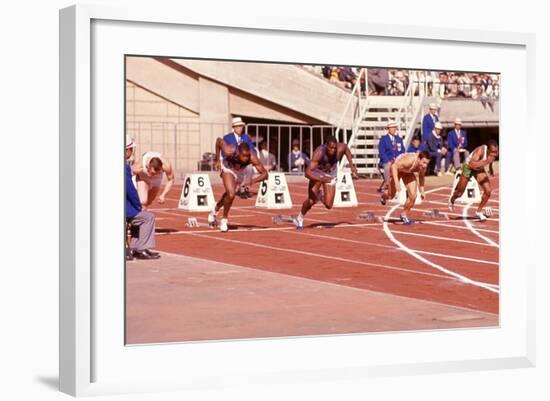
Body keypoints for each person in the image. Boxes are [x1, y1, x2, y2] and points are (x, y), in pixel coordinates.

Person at [294, 136, 359, 229]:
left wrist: (352, 167)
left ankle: (319, 195)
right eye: (331, 148)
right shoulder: (319, 152)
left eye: (334, 148)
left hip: (331, 173)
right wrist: (321, 179)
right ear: (326, 146)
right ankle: (300, 217)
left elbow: (346, 148)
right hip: (317, 172)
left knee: (329, 205)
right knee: (311, 200)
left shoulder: (340, 149)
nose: (333, 150)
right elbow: (307, 173)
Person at [209, 138, 268, 232]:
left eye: (247, 156)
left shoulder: (252, 157)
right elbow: (218, 141)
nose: (246, 158)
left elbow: (265, 174)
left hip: (241, 172)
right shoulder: (229, 150)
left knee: (230, 194)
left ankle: (215, 208)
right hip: (228, 167)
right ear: (238, 152)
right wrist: (217, 160)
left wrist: (252, 181)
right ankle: (224, 220)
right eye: (243, 156)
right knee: (231, 194)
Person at [125, 136, 160, 260]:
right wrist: (139, 206)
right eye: (130, 149)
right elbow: (130, 190)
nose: (131, 152)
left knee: (138, 216)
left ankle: (134, 247)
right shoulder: (124, 167)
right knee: (148, 217)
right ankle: (142, 249)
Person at [448, 140, 499, 221]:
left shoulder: (494, 152)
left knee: (488, 191)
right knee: (459, 193)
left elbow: (491, 160)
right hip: (468, 167)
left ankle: (478, 212)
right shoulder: (480, 150)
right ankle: (452, 199)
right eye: (492, 152)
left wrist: (490, 168)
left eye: (496, 152)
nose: (494, 154)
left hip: (479, 169)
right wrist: (486, 161)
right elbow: (472, 164)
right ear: (488, 149)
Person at [380, 150, 431, 225]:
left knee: (413, 196)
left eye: (427, 163)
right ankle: (383, 196)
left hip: (408, 173)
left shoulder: (423, 167)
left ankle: (404, 214)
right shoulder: (409, 160)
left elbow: (421, 177)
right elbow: (394, 167)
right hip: (396, 170)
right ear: (418, 159)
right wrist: (397, 184)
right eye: (424, 163)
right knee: (391, 195)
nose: (425, 165)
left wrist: (422, 191)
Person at [223, 117, 256, 198]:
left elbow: (252, 149)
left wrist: (248, 160)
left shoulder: (246, 137)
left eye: (241, 126)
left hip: (244, 163)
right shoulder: (227, 138)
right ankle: (234, 188)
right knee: (231, 191)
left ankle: (243, 189)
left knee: (250, 169)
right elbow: (225, 153)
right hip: (231, 163)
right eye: (237, 126)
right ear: (233, 127)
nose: (239, 128)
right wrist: (235, 162)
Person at [378, 121, 405, 192]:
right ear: (388, 129)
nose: (393, 129)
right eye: (392, 127)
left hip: (397, 161)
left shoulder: (399, 139)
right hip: (387, 161)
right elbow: (382, 152)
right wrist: (388, 161)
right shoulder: (383, 140)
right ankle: (387, 184)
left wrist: (399, 160)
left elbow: (402, 151)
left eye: (394, 127)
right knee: (388, 165)